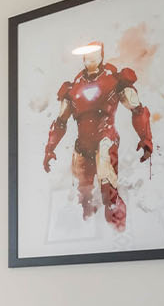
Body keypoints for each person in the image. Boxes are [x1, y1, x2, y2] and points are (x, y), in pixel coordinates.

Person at [43, 41, 154, 232]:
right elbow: (61, 121)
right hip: (82, 145)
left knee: (108, 190)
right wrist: (50, 148)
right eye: (87, 55)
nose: (90, 58)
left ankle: (117, 229)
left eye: (95, 54)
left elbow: (137, 109)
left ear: (102, 55)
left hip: (105, 139)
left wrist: (145, 138)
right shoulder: (73, 88)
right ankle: (89, 235)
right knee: (83, 197)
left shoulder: (114, 80)